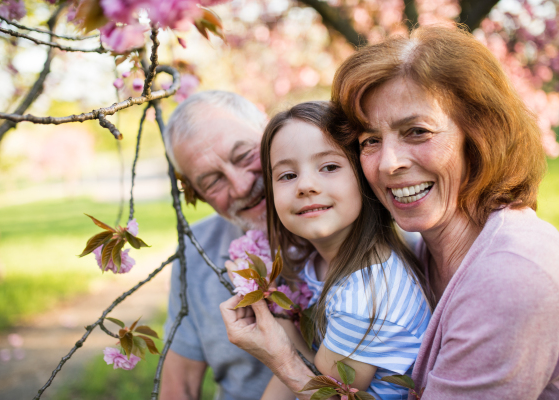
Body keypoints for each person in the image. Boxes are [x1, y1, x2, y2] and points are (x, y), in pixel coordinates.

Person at [220, 24, 559, 399]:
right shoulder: (419, 246)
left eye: (417, 131)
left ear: (478, 135)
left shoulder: (511, 277)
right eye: (370, 140)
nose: (389, 164)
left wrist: (281, 355)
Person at [255, 101, 432, 400]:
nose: (306, 186)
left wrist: (277, 327)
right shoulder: (319, 262)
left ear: (362, 176)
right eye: (287, 175)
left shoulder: (367, 298)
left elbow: (326, 394)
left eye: (330, 167)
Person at [161, 90, 273, 400]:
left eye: (245, 156)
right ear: (195, 192)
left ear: (271, 131)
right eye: (212, 181)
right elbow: (178, 388)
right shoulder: (196, 250)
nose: (241, 186)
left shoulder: (360, 224)